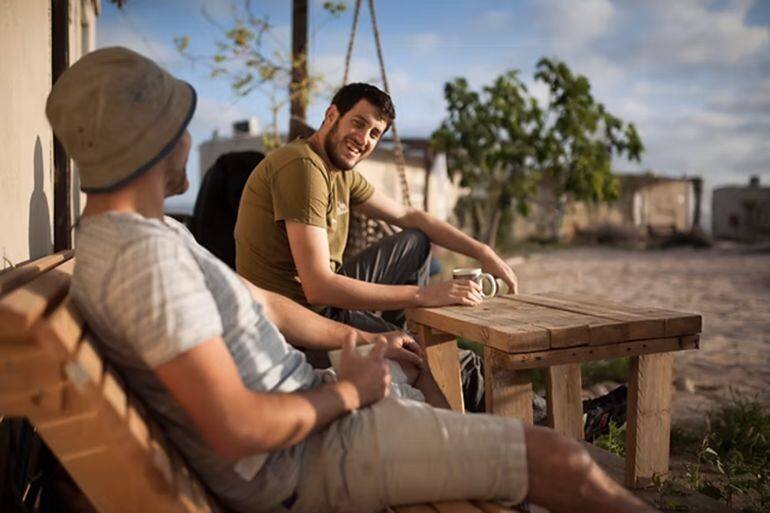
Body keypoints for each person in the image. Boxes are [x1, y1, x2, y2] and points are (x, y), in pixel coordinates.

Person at [46, 47, 654, 513]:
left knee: (412, 355)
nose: (187, 138)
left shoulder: (145, 236)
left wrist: (361, 345)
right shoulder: (145, 261)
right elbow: (236, 429)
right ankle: (512, 450)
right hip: (298, 456)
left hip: (304, 398)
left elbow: (267, 300)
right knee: (565, 462)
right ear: (152, 140)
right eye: (180, 121)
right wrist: (352, 390)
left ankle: (483, 451)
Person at [234, 82, 518, 335]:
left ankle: (396, 331)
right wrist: (423, 295)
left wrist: (483, 251)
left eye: (374, 133)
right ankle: (400, 341)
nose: (363, 139)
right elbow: (318, 287)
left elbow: (409, 216)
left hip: (321, 302)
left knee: (415, 239)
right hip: (296, 320)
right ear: (331, 115)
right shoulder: (303, 167)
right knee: (416, 352)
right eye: (358, 123)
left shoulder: (339, 172)